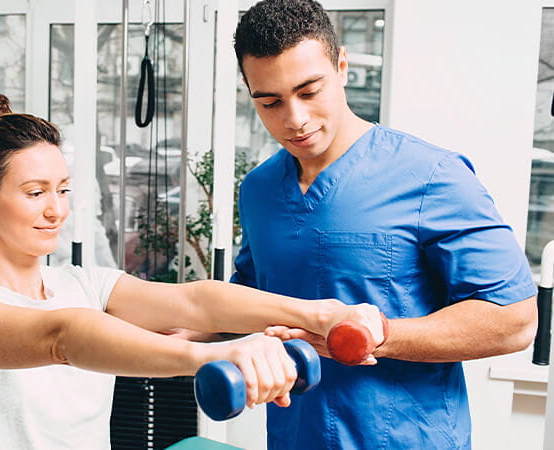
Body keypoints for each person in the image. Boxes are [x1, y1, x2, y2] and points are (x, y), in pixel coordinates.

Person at [0, 93, 385, 450]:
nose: (56, 210)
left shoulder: (82, 283)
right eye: (35, 192)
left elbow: (195, 301)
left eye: (61, 190)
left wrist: (319, 314)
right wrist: (210, 358)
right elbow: (61, 336)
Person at [230, 1, 538, 449]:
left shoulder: (432, 175)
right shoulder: (258, 189)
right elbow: (246, 296)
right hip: (294, 438)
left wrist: (381, 336)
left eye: (309, 91)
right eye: (271, 101)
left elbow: (514, 319)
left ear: (342, 66)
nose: (294, 119)